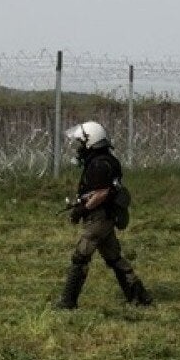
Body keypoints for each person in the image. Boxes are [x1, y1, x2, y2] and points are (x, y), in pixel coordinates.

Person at [56, 121, 151, 309]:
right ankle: (139, 297)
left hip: (99, 218)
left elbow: (101, 193)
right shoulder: (105, 160)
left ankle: (68, 302)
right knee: (114, 258)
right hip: (104, 216)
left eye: (82, 143)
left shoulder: (99, 164)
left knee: (80, 257)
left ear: (91, 141)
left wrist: (82, 210)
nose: (79, 147)